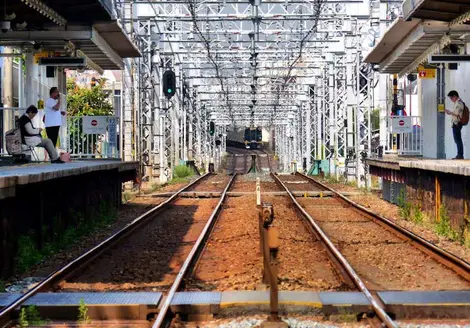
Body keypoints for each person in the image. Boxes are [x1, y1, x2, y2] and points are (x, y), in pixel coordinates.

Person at [445, 90, 465, 159]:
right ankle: (459, 154)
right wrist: (449, 112)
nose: (451, 100)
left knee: (458, 139)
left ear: (455, 96)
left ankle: (460, 155)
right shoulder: (457, 103)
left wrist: (450, 112)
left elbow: (456, 114)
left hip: (457, 123)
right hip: (455, 123)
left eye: (451, 98)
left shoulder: (459, 103)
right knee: (457, 139)